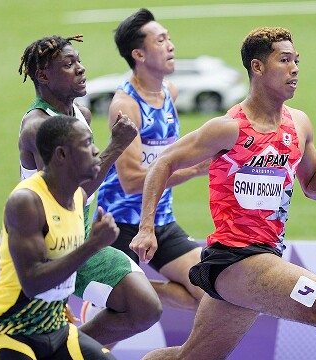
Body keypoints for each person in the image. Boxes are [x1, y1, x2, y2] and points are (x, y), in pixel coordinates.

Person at [132, 27, 316, 359]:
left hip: (261, 262)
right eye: (284, 60)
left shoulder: (299, 124)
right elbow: (163, 163)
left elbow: (313, 189)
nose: (295, 68)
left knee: (190, 358)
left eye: (297, 60)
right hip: (236, 260)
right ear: (257, 67)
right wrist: (146, 227)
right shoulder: (228, 128)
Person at [17, 34, 162, 346]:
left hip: (81, 237)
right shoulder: (38, 127)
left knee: (145, 308)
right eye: (69, 65)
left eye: (79, 61)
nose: (81, 69)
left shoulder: (81, 114)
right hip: (47, 249)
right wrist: (117, 146)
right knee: (22, 343)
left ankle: (66, 351)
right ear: (43, 75)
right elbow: (67, 196)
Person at [0, 115, 117, 359]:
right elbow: (32, 283)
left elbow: (94, 178)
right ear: (61, 155)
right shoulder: (27, 202)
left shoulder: (75, 196)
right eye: (86, 144)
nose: (95, 150)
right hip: (9, 330)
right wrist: (93, 244)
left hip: (56, 329)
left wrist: (118, 144)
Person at [95, 8, 206, 312]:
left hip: (160, 219)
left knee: (208, 294)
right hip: (119, 223)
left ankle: (138, 289)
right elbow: (131, 182)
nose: (171, 45)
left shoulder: (170, 91)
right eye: (160, 40)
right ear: (139, 54)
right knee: (122, 322)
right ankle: (122, 296)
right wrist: (195, 169)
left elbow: (166, 155)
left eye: (169, 38)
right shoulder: (125, 105)